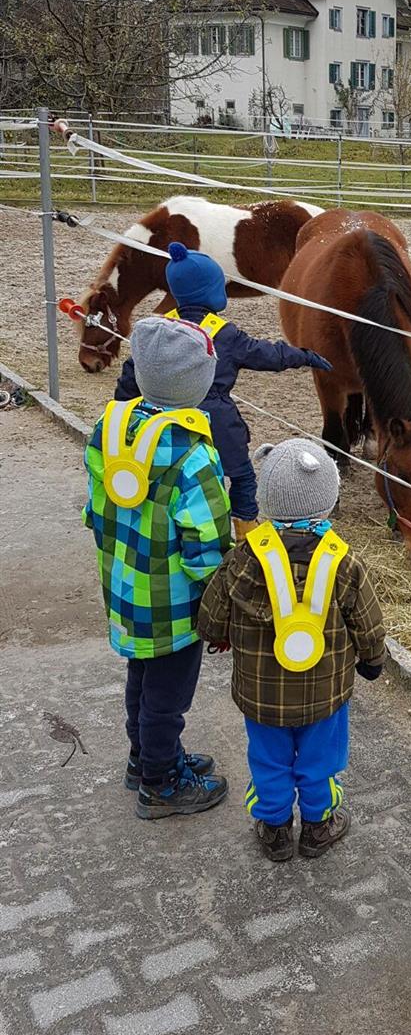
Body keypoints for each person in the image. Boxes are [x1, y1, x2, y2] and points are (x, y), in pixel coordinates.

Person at [199, 438, 385, 862]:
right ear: (329, 499)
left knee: (268, 759)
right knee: (320, 759)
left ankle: (275, 828)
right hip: (325, 694)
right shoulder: (343, 561)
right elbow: (368, 621)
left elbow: (211, 614)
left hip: (261, 695)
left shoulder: (245, 557)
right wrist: (372, 660)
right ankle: (319, 825)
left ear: (266, 498)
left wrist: (216, 633)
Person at [83, 315, 232, 819]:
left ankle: (143, 758)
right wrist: (219, 604)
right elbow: (208, 544)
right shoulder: (193, 455)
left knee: (141, 680)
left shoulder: (111, 427)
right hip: (173, 606)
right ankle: (161, 784)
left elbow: (95, 510)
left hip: (125, 589)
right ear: (199, 384)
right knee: (167, 697)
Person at [115, 241, 332, 539]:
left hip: (162, 418)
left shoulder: (161, 328)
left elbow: (132, 372)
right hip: (215, 420)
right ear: (211, 291)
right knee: (242, 477)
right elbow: (266, 355)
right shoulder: (224, 334)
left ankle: (171, 522)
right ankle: (245, 533)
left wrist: (124, 409)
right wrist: (304, 355)